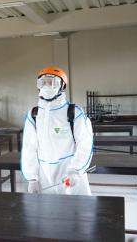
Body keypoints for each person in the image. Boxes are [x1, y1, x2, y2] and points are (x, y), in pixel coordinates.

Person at [21, 66, 93, 195]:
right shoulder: (33, 115)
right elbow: (29, 148)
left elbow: (85, 143)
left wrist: (75, 170)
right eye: (43, 82)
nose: (47, 86)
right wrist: (32, 178)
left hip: (69, 174)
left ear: (62, 86)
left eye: (52, 82)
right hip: (43, 175)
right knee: (48, 213)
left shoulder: (74, 112)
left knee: (76, 212)